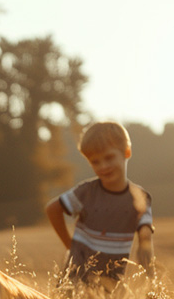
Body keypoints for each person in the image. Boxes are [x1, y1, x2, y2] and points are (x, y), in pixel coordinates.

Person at [45, 121, 154, 285]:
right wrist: (70, 246)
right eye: (95, 162)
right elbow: (53, 209)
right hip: (76, 282)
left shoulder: (139, 197)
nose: (103, 166)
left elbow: (145, 235)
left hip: (110, 285)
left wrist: (149, 267)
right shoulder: (87, 192)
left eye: (109, 157)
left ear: (126, 152)